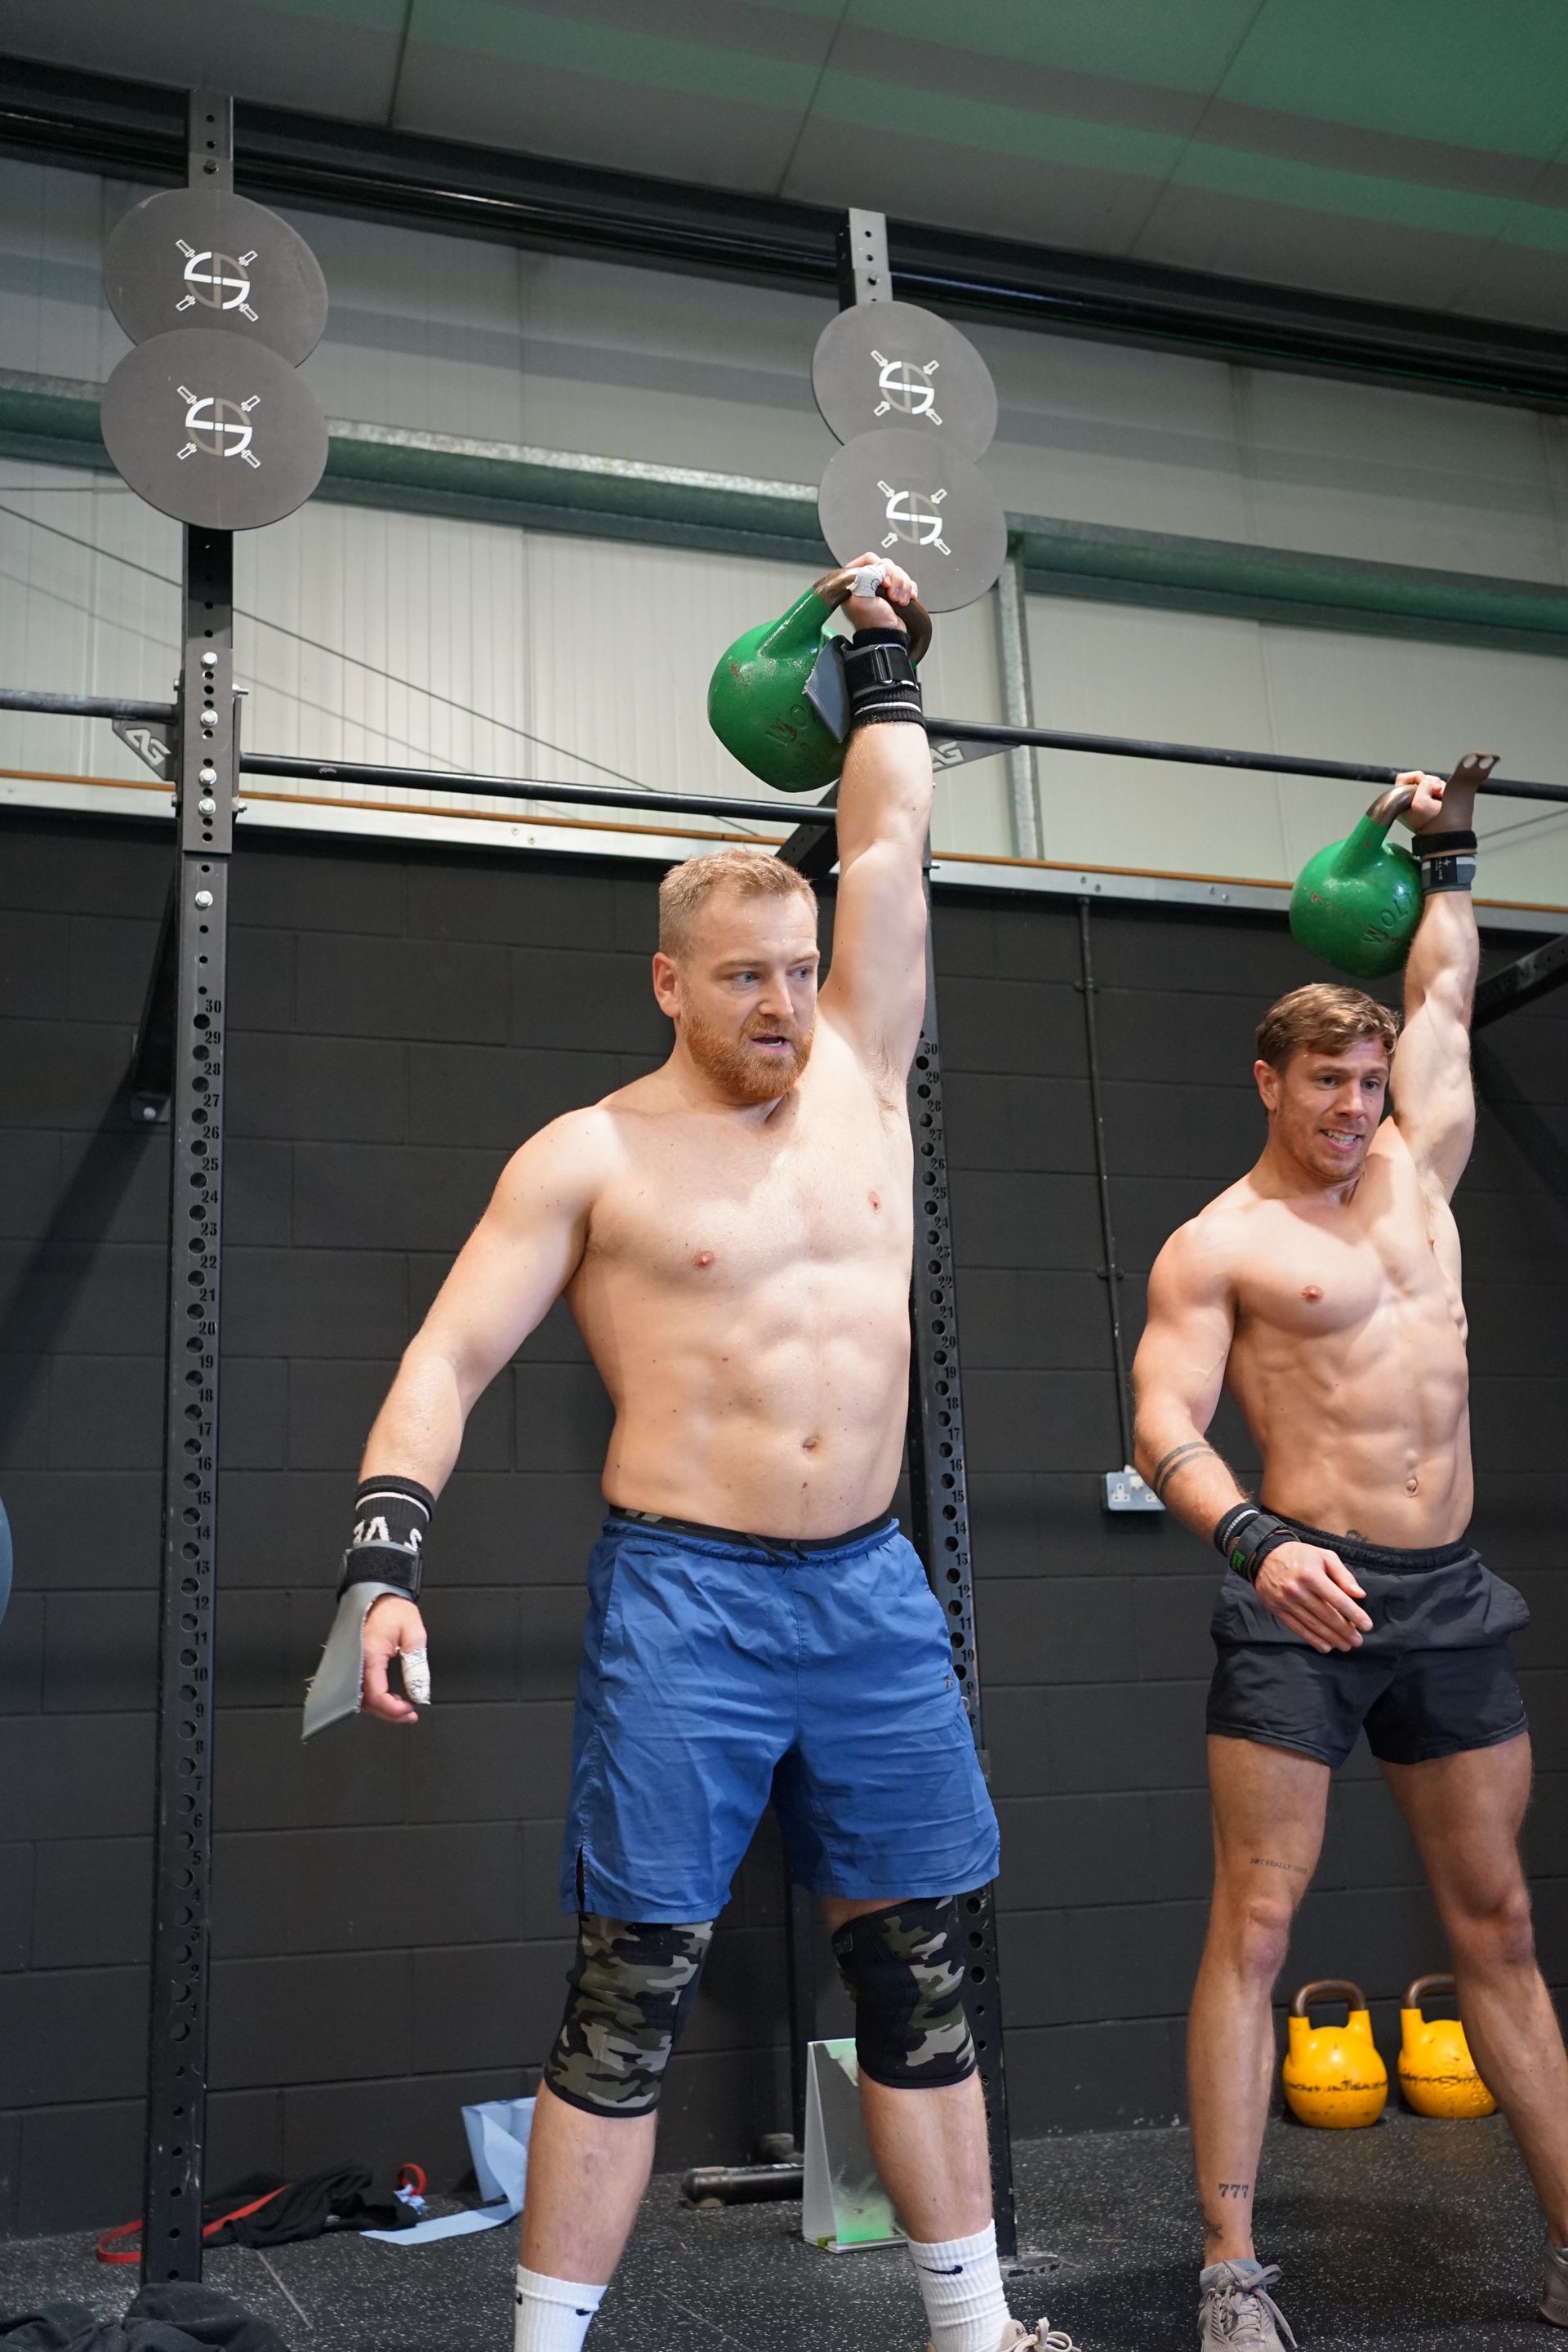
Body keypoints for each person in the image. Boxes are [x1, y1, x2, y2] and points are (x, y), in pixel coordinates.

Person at [307, 558, 1071, 2352]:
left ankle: (973, 2329)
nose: (784, 1007)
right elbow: (448, 1355)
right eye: (744, 978)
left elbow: (887, 844)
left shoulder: (870, 1075)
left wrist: (876, 653)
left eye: (800, 975)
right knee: (630, 1992)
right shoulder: (589, 1155)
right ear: (669, 979)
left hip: (873, 1591)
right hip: (691, 1600)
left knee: (921, 1973)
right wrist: (383, 1563)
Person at [1133, 767, 1568, 2349]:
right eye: (1325, 1085)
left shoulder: (1419, 1172)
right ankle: (1231, 2274)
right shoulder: (1219, 1242)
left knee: (1501, 1928)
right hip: (1303, 1591)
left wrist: (1443, 841)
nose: (1353, 1110)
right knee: (1258, 1927)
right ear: (1269, 1080)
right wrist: (1252, 1540)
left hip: (1449, 1597)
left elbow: (1445, 978)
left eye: (1369, 1083)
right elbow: (1161, 1426)